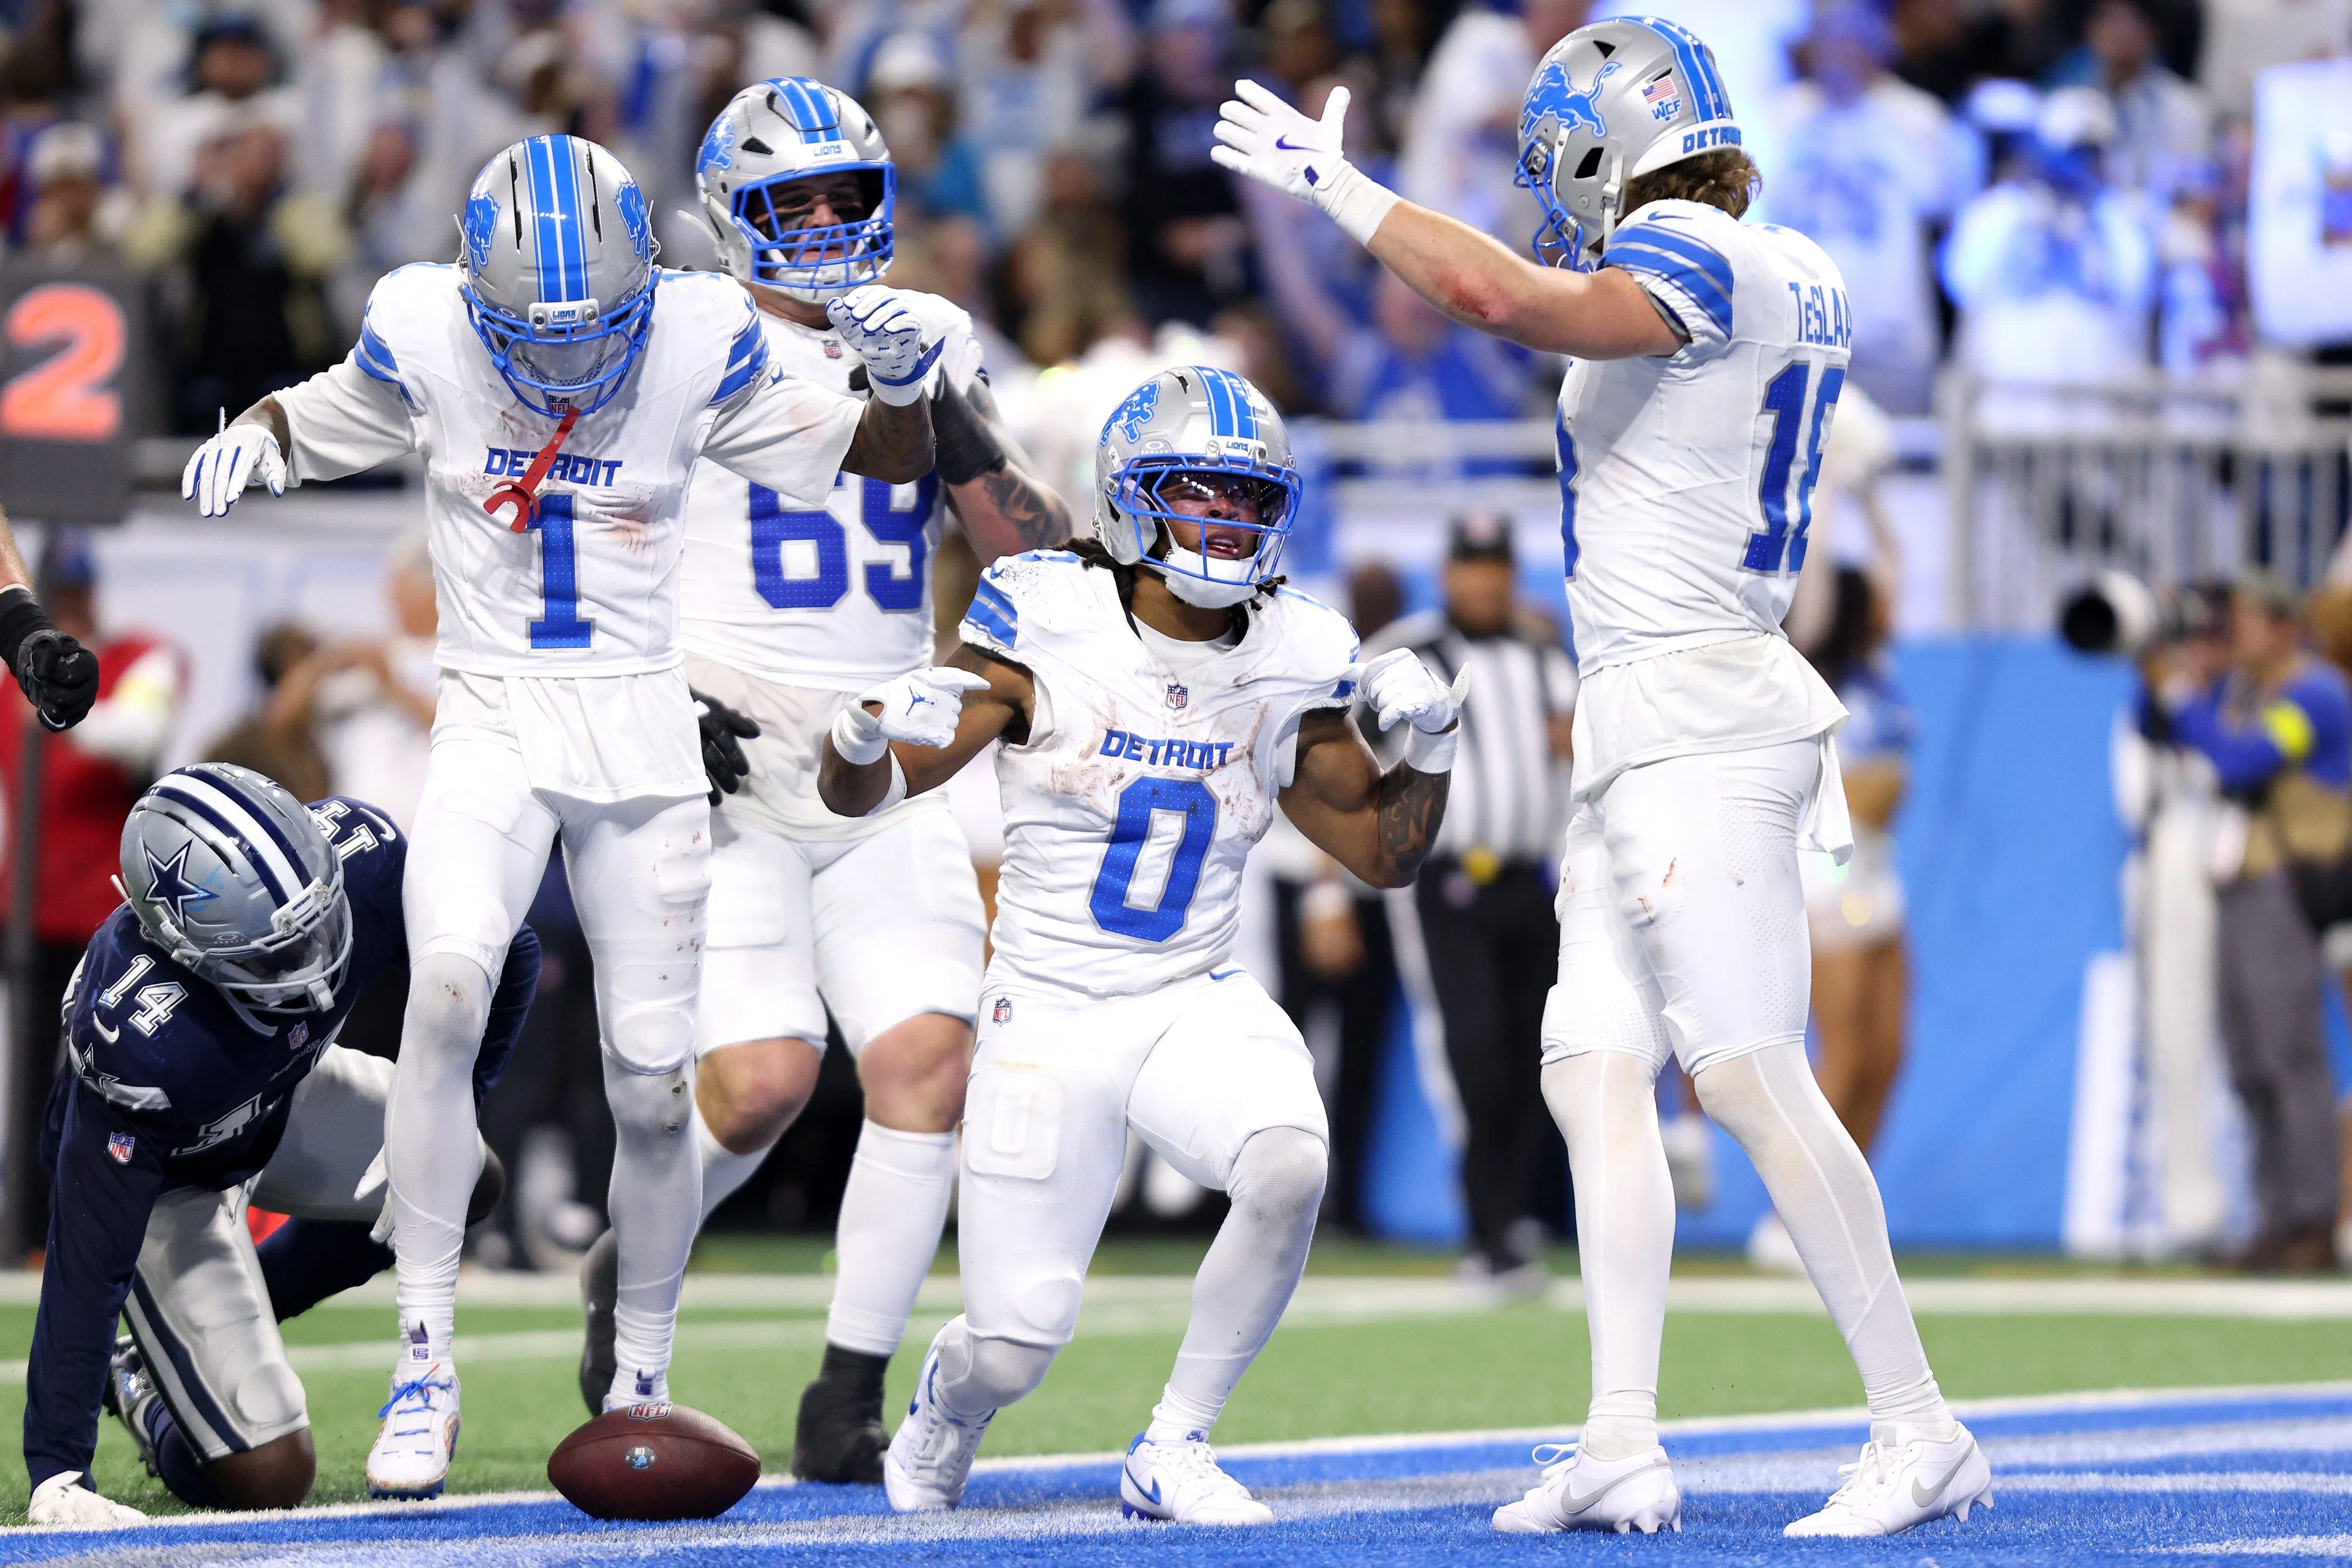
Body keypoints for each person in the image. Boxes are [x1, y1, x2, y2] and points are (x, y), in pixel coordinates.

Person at [1214, 15, 1989, 1537]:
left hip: (1698, 708)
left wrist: (1345, 194)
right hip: (1647, 710)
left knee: (1747, 1070)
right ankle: (1620, 1437)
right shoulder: (1777, 262)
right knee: (1589, 1066)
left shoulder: (1699, 251)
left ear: (1604, 148)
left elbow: (1502, 296)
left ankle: (1919, 1425)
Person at [176, 130, 939, 1500]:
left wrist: (895, 382)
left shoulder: (700, 332)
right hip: (491, 712)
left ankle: (640, 1370)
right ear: (477, 294)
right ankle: (425, 1360)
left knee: (650, 1084)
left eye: (596, 327)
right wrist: (260, 433)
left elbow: (872, 458)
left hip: (640, 725)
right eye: (537, 331)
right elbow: (333, 404)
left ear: (649, 282)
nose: (570, 356)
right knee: (445, 995)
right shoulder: (425, 322)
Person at [821, 366, 1460, 1524]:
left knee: (1287, 1161)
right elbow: (869, 789)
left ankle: (1173, 1443)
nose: (1228, 518)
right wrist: (857, 738)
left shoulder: (1296, 646)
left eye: (1248, 497)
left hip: (1186, 993)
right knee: (1015, 1343)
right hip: (1047, 1008)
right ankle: (947, 1407)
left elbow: (1383, 854)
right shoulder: (1046, 613)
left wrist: (1434, 745)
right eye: (1199, 491)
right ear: (1129, 497)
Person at [572, 76, 1074, 1485]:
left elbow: (1036, 550)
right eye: (786, 203)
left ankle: (846, 1393)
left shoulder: (930, 334)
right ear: (728, 215)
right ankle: (635, 1250)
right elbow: (580, 543)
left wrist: (935, 399)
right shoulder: (671, 336)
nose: (819, 227)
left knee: (927, 1063)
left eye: (841, 198)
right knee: (759, 1086)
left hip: (879, 749)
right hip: (723, 746)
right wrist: (640, 694)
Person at [19, 765, 533, 1528]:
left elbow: (504, 953)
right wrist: (58, 1467)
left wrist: (453, 1114)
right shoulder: (144, 1045)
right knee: (271, 1471)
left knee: (463, 1172)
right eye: (278, 953)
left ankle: (176, 1347)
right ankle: (140, 1387)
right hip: (173, 1176)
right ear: (190, 953)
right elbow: (87, 1263)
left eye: (317, 922)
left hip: (283, 1094)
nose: (317, 960)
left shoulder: (362, 864)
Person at [1367, 514, 1576, 1289]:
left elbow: (1574, 741)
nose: (1485, 582)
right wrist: (1330, 886)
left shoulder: (1543, 652)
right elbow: (1342, 756)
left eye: (1497, 567)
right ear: (1447, 574)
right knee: (1474, 1050)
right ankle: (1485, 1229)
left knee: (1530, 1056)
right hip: (1446, 882)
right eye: (1472, 567)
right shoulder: (1404, 653)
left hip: (1529, 880)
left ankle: (1508, 1227)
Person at [2158, 573, 2351, 1272]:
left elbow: (2240, 760)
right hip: (2236, 887)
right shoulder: (2238, 691)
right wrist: (2164, 671)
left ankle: (2313, 1220)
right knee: (2247, 1062)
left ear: (2283, 628)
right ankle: (2275, 1217)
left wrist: (2184, 696)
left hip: (2284, 886)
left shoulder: (2313, 693)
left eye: (2241, 621)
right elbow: (2160, 728)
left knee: (2288, 1057)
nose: (2228, 633)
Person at [0, 529, 168, 1244]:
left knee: (104, 1073)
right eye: (56, 594)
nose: (69, 606)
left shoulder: (141, 658)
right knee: (24, 1073)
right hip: (26, 907)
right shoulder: (9, 675)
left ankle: (94, 1223)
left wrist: (60, 696)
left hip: (105, 911)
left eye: (76, 592)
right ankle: (27, 1227)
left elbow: (138, 732)